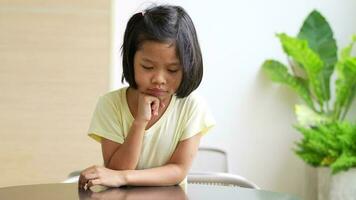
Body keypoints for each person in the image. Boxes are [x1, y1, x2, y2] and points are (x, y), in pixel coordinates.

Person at [78, 4, 215, 190]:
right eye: (148, 67)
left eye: (172, 70)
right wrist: (139, 122)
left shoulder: (192, 106)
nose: (159, 79)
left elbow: (178, 170)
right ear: (130, 59)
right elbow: (115, 169)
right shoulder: (110, 104)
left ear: (188, 67)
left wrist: (124, 177)